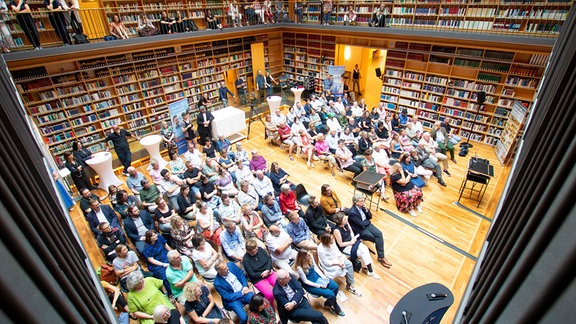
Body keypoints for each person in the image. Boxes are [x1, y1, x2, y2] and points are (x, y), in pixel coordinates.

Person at [292, 250, 345, 316]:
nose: (310, 256)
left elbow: (316, 268)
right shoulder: (299, 268)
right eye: (308, 255)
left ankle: (328, 304)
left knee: (335, 287)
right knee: (331, 294)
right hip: (311, 284)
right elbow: (305, 281)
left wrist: (324, 277)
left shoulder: (310, 257)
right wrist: (319, 285)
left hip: (318, 277)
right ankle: (337, 307)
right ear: (303, 257)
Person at [348, 194, 392, 268]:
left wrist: (366, 209)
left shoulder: (362, 207)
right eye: (361, 201)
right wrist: (368, 222)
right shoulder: (352, 212)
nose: (363, 202)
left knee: (379, 234)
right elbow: (361, 224)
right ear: (356, 203)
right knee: (375, 239)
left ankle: (381, 257)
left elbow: (370, 216)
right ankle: (381, 256)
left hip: (367, 225)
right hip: (360, 230)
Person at [332, 212, 380, 279]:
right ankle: (368, 270)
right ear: (341, 222)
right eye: (344, 219)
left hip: (352, 241)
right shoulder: (336, 230)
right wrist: (350, 242)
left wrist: (353, 238)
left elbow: (351, 232)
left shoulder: (346, 223)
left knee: (365, 248)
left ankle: (369, 270)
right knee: (361, 253)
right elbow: (340, 244)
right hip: (345, 246)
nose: (346, 219)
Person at [214, 260, 254, 324]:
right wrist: (241, 293)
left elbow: (241, 274)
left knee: (256, 301)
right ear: (219, 271)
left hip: (244, 290)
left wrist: (245, 286)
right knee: (244, 318)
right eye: (224, 269)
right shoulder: (217, 283)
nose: (227, 268)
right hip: (233, 300)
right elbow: (227, 296)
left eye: (226, 266)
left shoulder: (231, 265)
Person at [243, 239, 277, 306]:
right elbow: (252, 274)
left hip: (268, 272)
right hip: (258, 278)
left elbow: (269, 259)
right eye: (253, 251)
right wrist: (263, 274)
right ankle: (272, 308)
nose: (256, 250)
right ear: (249, 251)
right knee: (269, 294)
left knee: (280, 283)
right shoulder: (245, 259)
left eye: (256, 248)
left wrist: (268, 270)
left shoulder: (260, 249)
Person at [143, 230, 173, 296]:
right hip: (156, 263)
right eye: (153, 235)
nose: (156, 235)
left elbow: (166, 246)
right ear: (149, 238)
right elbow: (151, 260)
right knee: (165, 276)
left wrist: (172, 253)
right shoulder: (147, 248)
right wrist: (163, 264)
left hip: (164, 255)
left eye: (155, 234)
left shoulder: (159, 238)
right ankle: (170, 292)